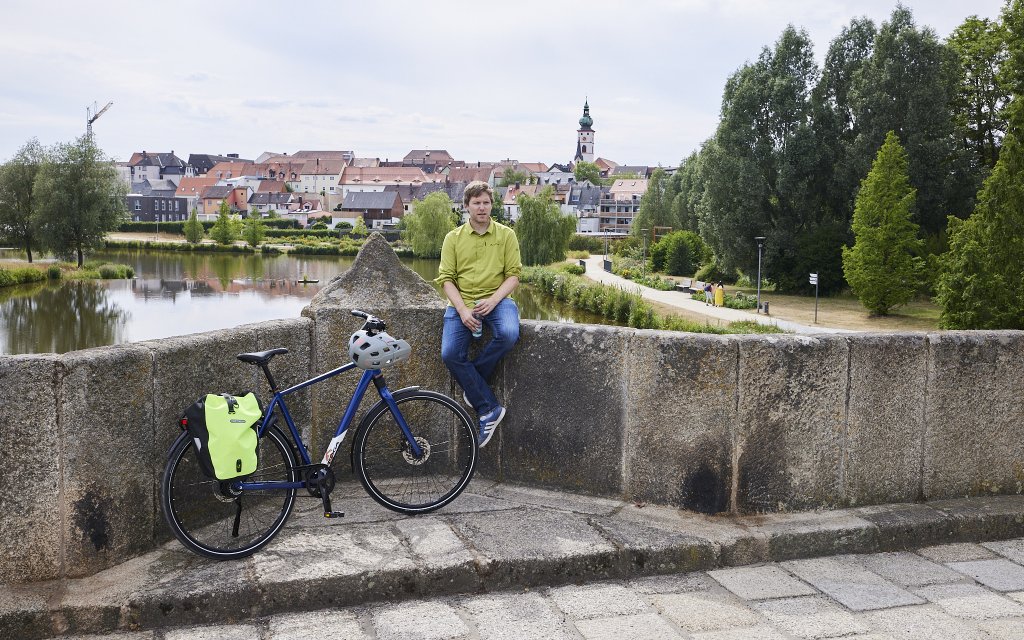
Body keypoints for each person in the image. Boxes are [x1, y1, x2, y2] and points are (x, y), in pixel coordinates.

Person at [436, 181, 522, 448]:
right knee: (450, 354)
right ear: (466, 206)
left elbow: (514, 276)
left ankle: (473, 387)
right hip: (461, 303)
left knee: (508, 333)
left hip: (498, 299)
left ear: (492, 205)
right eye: (476, 203)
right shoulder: (453, 238)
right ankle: (488, 407)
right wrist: (462, 310)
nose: (482, 207)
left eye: (486, 202)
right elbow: (446, 279)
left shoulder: (506, 235)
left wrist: (494, 300)